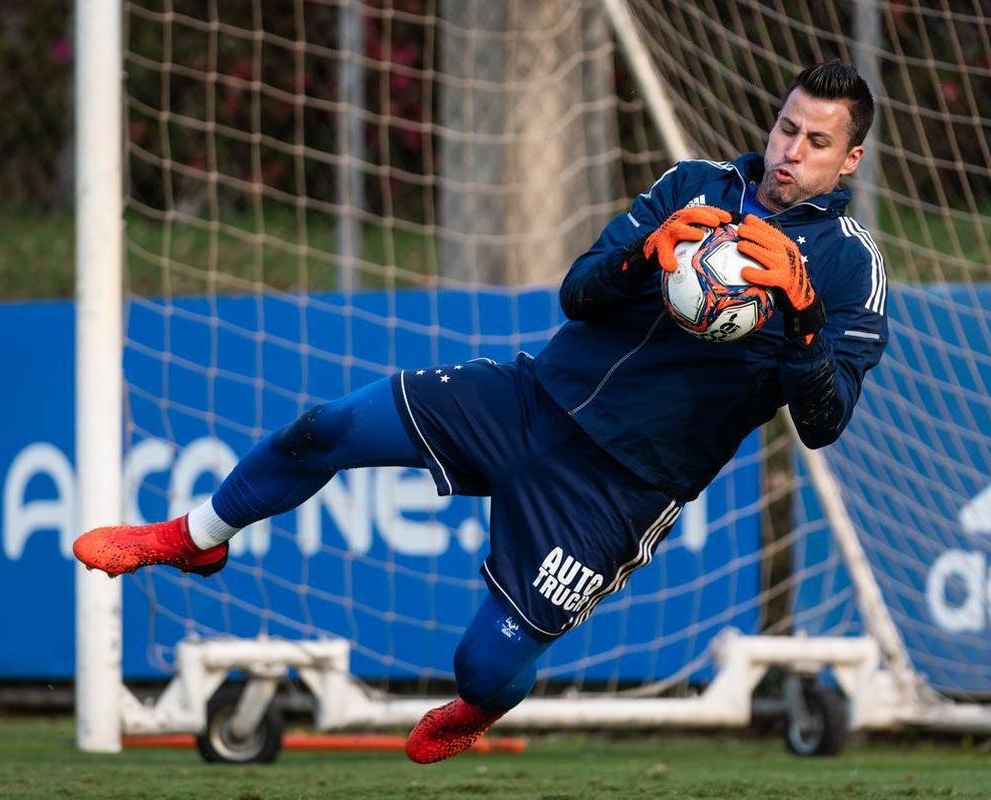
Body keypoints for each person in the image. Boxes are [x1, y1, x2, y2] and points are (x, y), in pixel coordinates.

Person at [73, 61, 887, 763]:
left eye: (816, 143)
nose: (789, 151)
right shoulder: (694, 186)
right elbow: (578, 292)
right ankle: (192, 540)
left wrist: (804, 319)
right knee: (324, 427)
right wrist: (647, 252)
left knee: (483, 666)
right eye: (785, 128)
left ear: (848, 158)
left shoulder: (850, 269)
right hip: (529, 399)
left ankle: (480, 710)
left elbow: (823, 422)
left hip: (618, 489)